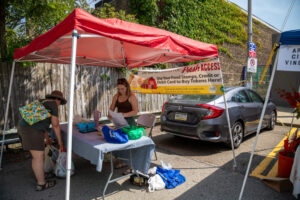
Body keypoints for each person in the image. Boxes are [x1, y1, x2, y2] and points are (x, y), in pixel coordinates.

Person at [18, 90, 67, 191]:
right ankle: (41, 184)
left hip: (24, 127)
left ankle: (41, 175)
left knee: (38, 156)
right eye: (60, 102)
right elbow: (55, 125)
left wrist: (47, 138)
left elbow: (41, 122)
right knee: (38, 157)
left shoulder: (42, 102)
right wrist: (60, 143)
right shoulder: (53, 104)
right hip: (31, 130)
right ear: (57, 99)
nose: (59, 105)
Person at [109, 78, 138, 169]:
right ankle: (121, 159)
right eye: (118, 89)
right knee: (118, 139)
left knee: (126, 141)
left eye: (122, 89)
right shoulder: (116, 96)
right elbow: (111, 108)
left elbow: (135, 112)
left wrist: (124, 115)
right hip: (119, 122)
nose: (120, 91)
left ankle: (126, 160)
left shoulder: (132, 97)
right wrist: (110, 115)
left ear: (127, 87)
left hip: (130, 124)